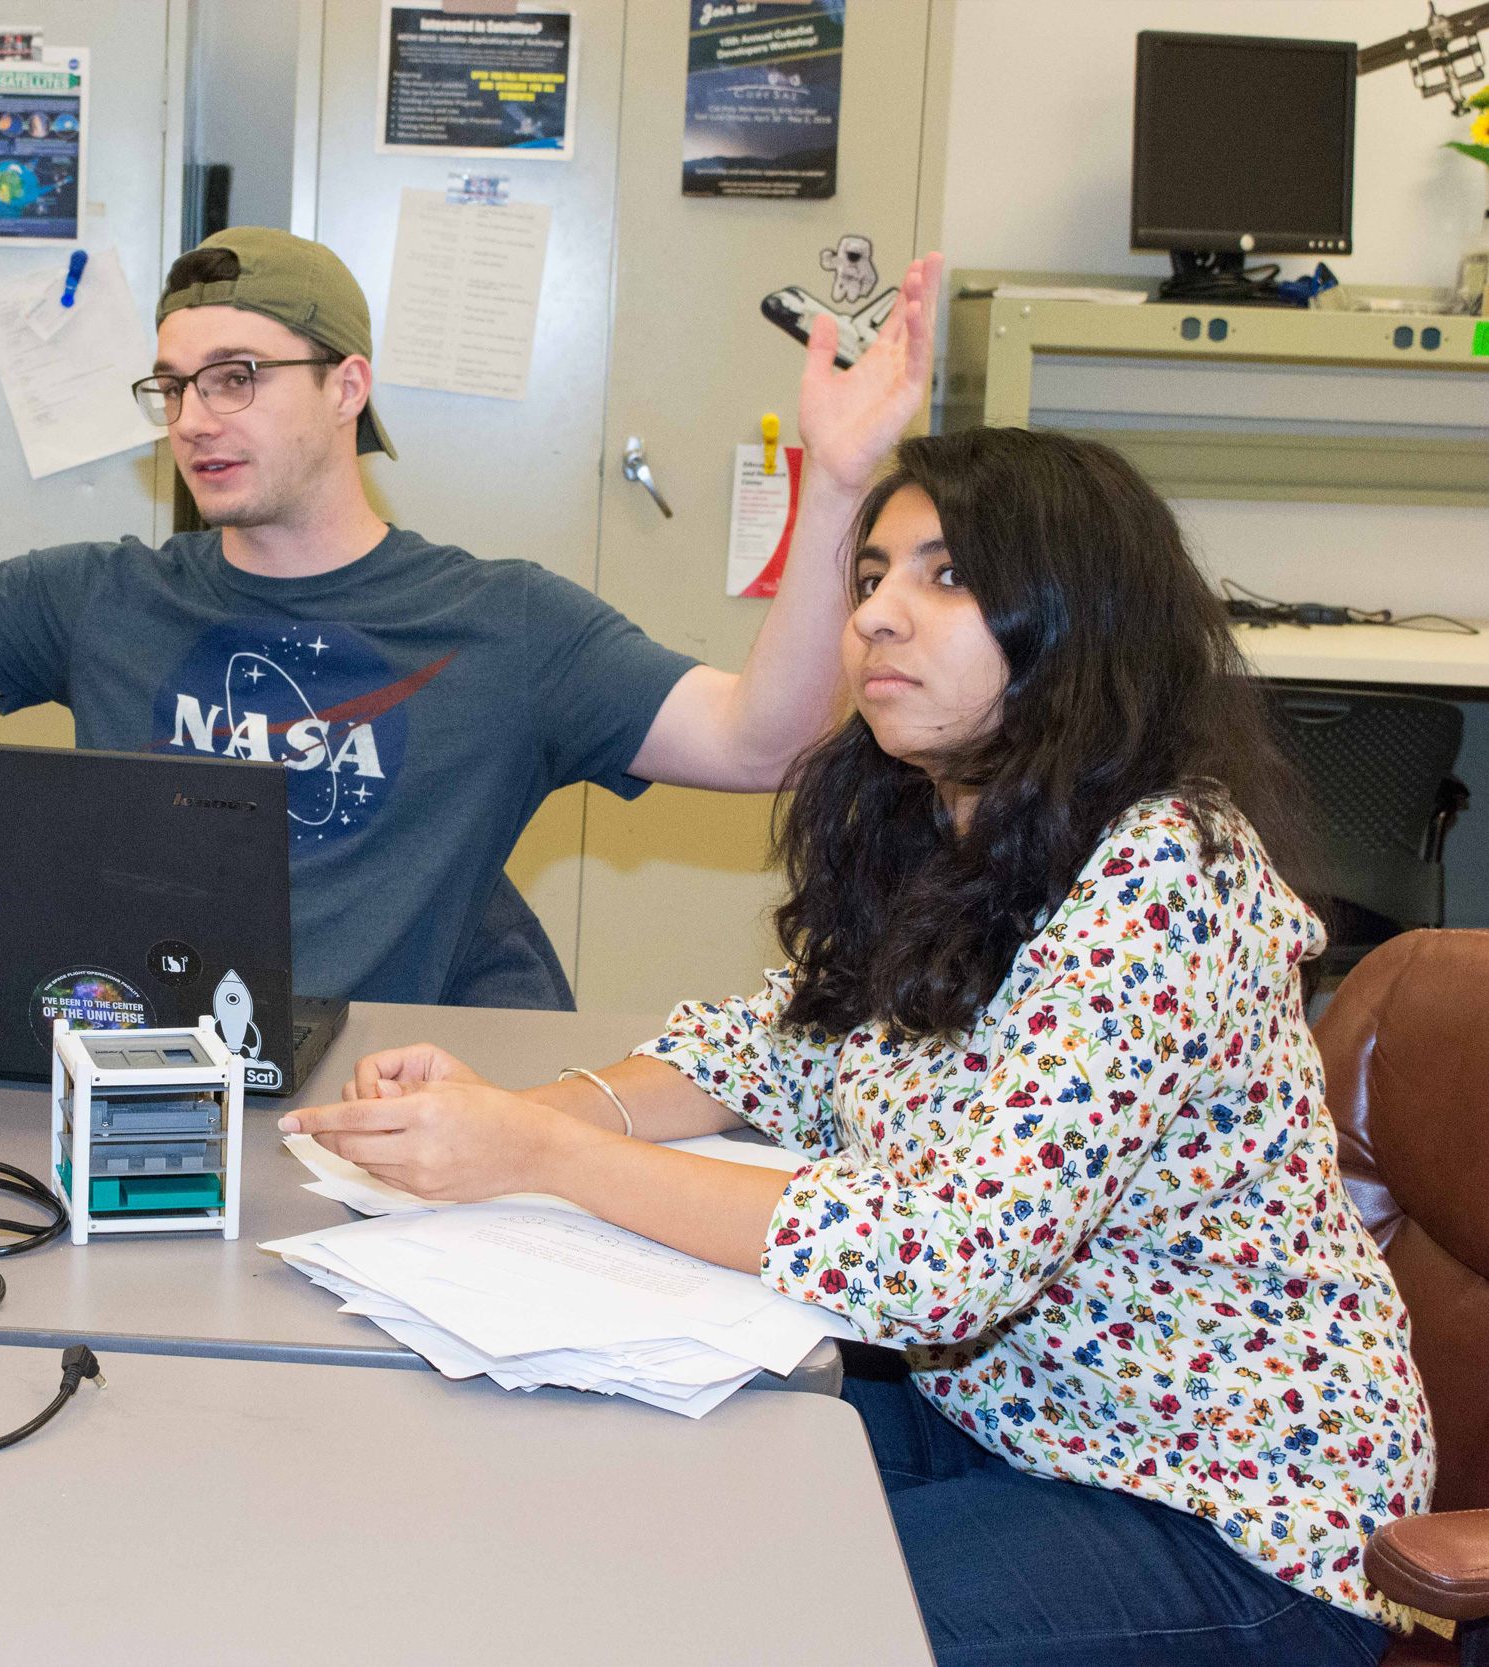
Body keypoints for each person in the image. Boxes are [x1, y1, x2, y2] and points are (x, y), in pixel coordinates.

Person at [281, 426, 1434, 1666]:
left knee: (737, 1631)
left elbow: (944, 1258)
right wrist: (526, 1113)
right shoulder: (948, 824)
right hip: (1007, 1414)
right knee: (596, 1497)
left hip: (1230, 1513)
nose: (879, 614)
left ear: (1077, 620)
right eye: (873, 574)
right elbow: (781, 1050)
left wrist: (537, 1159)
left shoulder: (1166, 869)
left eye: (945, 576)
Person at [0, 168, 945, 1008]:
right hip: (153, 1096)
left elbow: (766, 738)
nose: (196, 417)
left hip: (394, 1123)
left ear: (348, 387)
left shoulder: (506, 626)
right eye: (176, 383)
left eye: (241, 375)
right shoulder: (103, 600)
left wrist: (835, 486)